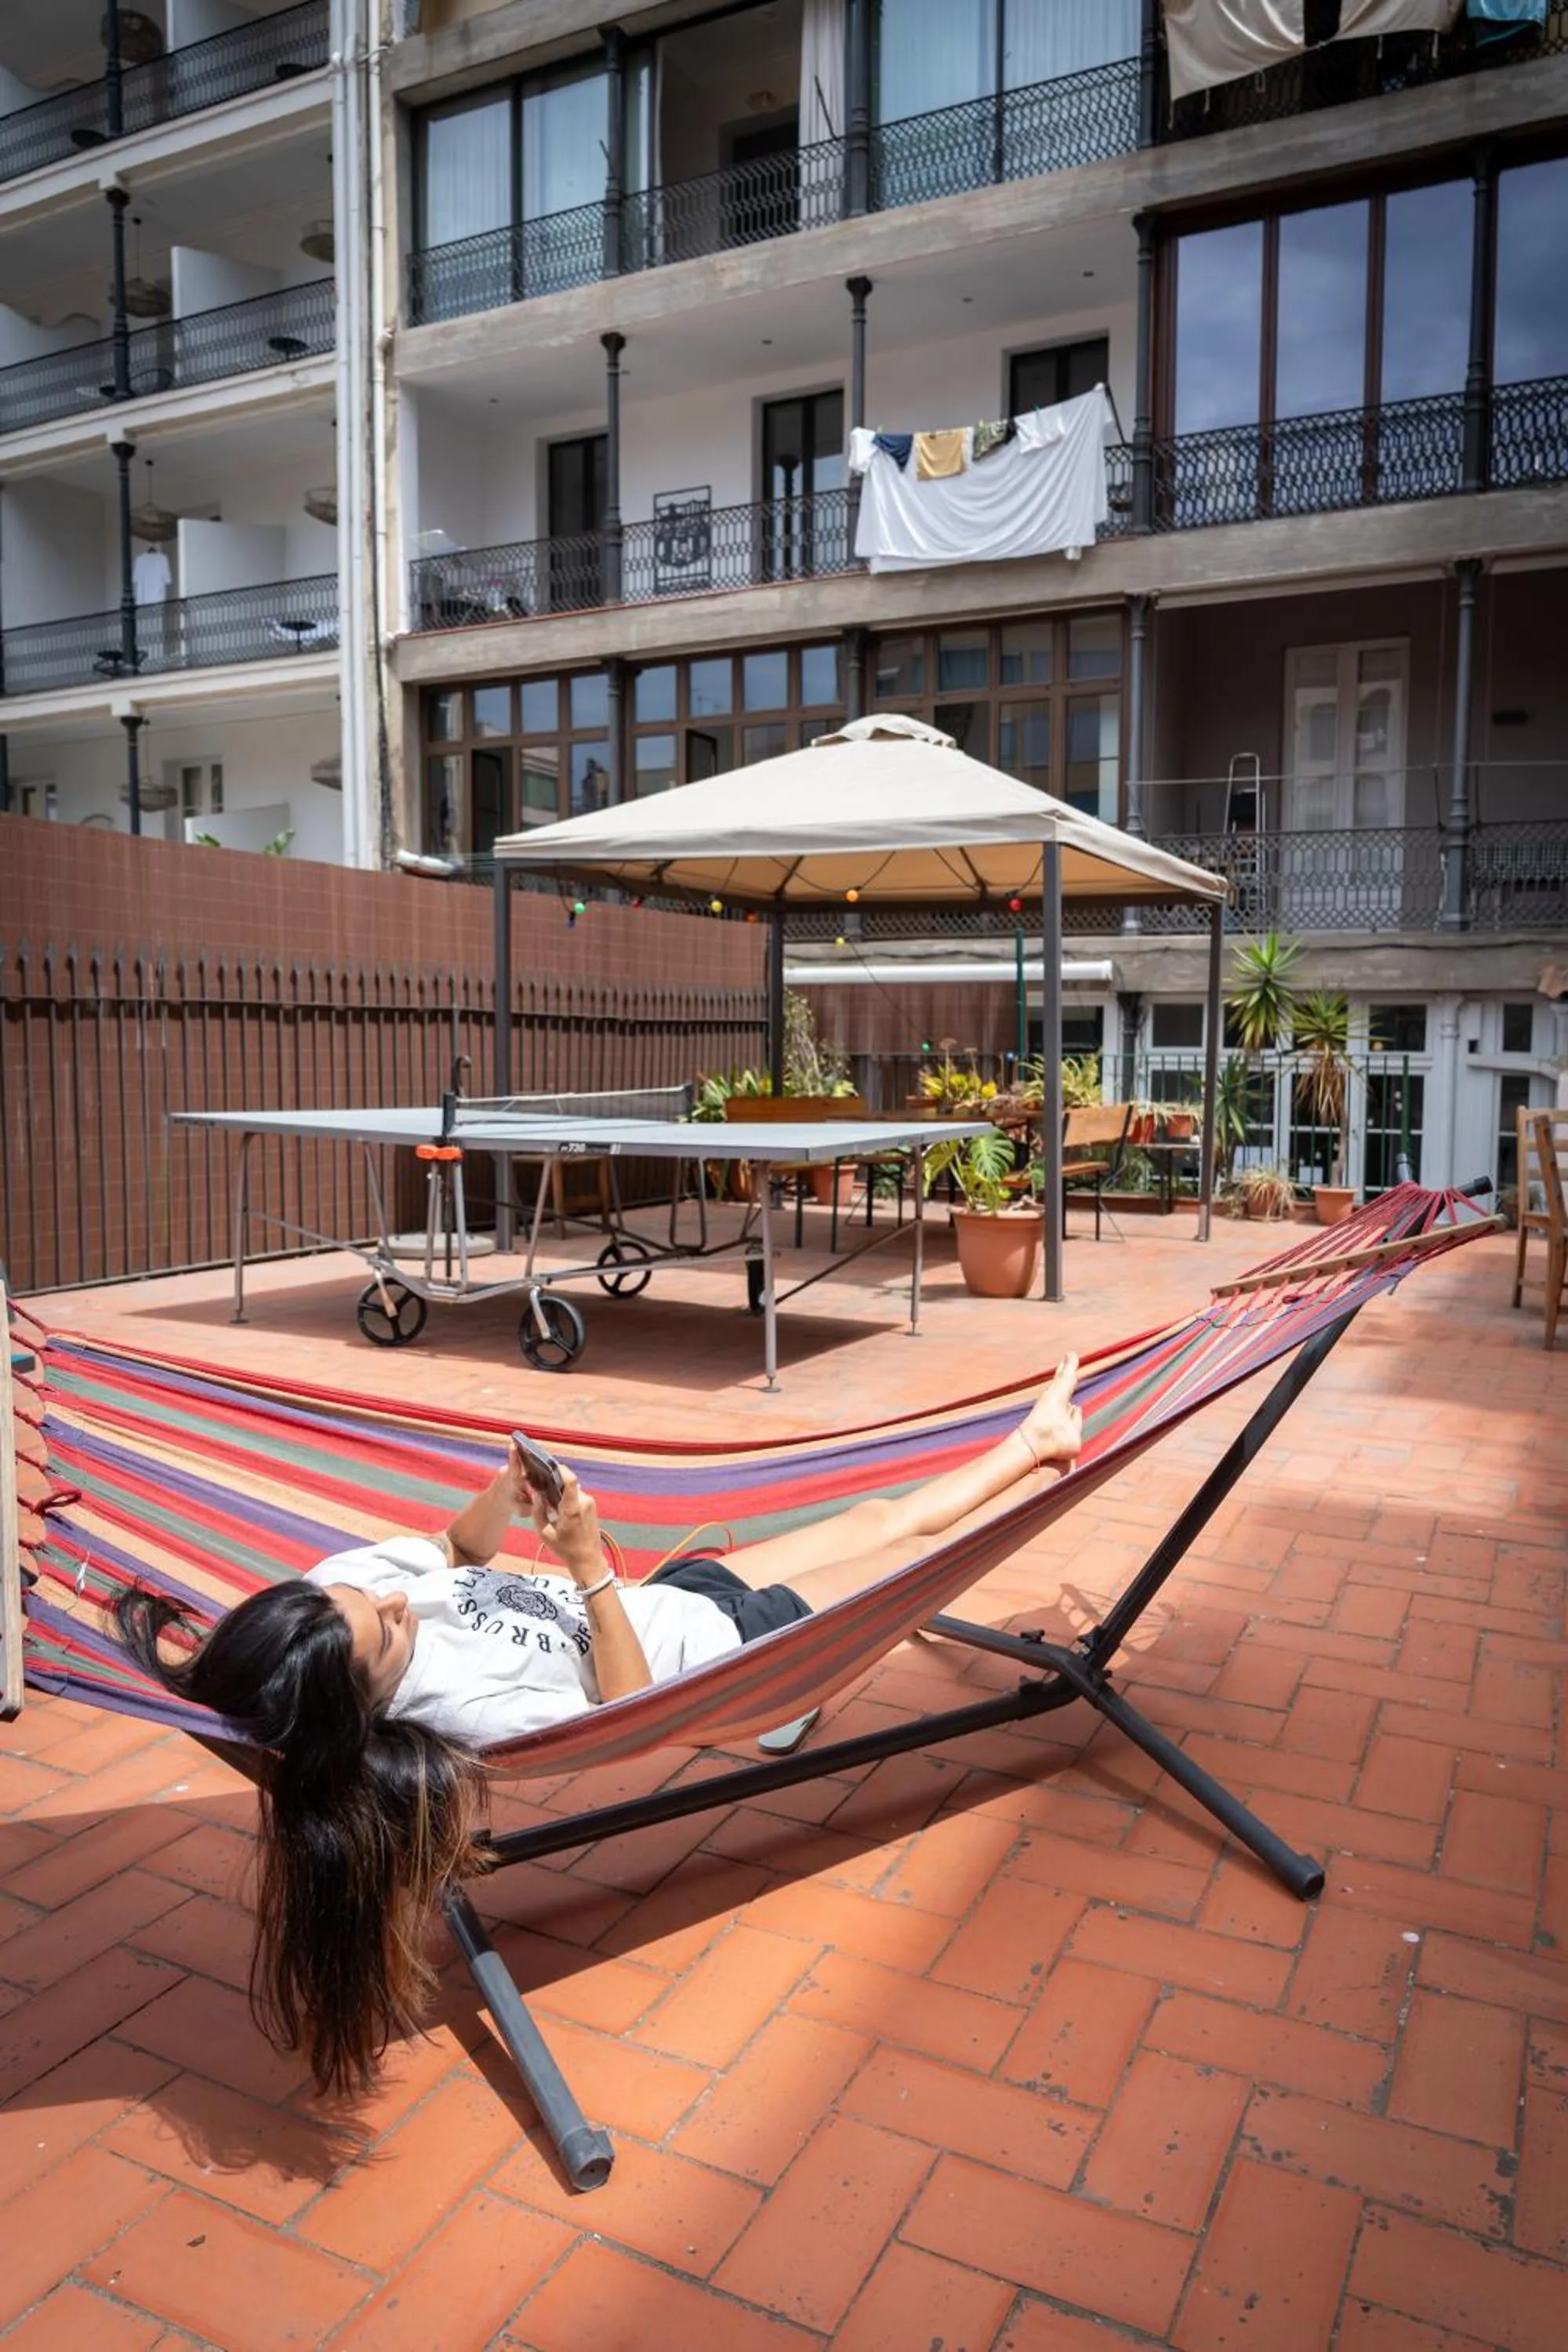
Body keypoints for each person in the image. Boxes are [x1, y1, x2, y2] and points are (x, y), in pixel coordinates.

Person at [114, 1358, 1083, 2097]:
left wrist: (503, 1500)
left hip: (673, 1598)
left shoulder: (337, 1600)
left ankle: (1035, 1443)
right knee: (910, 1561)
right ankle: (1019, 1482)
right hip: (722, 1654)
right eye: (387, 1634)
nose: (395, 1604)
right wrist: (584, 1565)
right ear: (367, 1707)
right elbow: (632, 1709)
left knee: (874, 1515)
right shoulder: (452, 1707)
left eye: (369, 1602)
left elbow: (448, 1551)